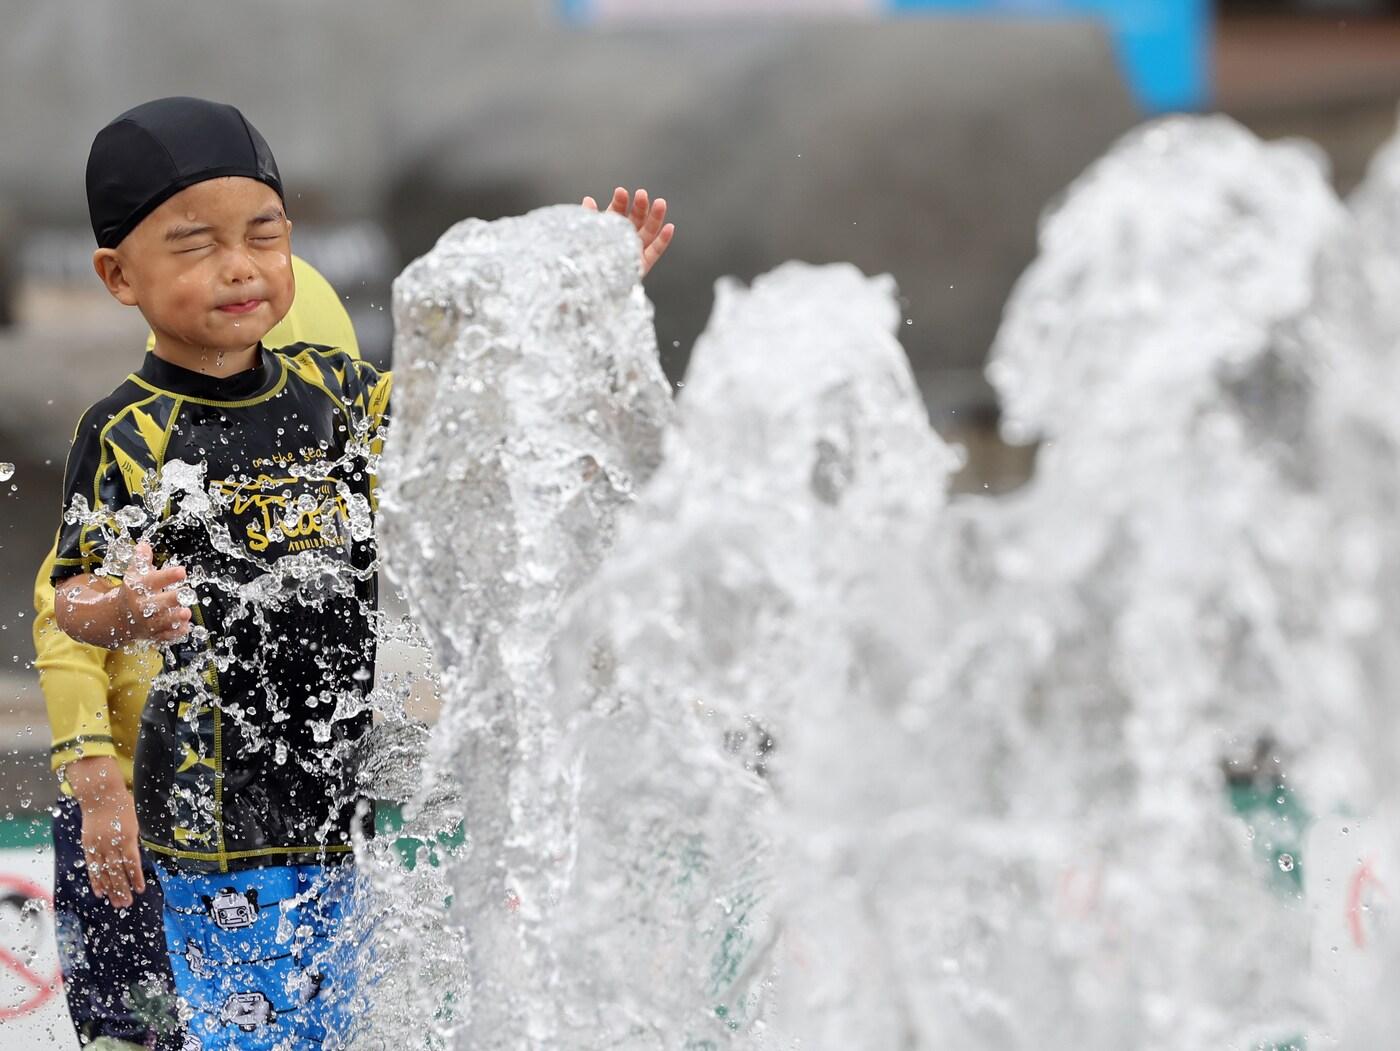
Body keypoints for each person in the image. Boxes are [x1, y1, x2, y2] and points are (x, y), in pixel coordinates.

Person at [48, 96, 672, 1051]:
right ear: (117, 276)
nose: (240, 265)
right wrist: (123, 609)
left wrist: (587, 299)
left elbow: (472, 431)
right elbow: (70, 598)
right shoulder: (129, 430)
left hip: (334, 797)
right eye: (195, 244)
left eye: (264, 233)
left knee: (331, 1027)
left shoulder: (337, 393)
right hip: (215, 812)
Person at [34, 256, 361, 1051]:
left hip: (275, 806)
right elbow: (61, 621)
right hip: (137, 808)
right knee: (136, 1024)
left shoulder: (315, 465)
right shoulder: (153, 460)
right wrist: (96, 782)